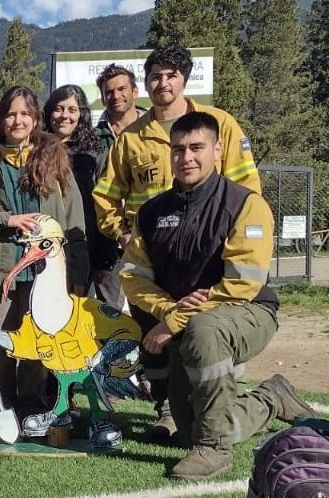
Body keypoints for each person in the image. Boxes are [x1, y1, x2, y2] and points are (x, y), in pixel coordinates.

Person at [120, 112, 314, 479]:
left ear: (217, 150)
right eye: (178, 149)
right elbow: (133, 275)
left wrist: (176, 320)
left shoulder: (245, 204)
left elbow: (243, 283)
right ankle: (271, 398)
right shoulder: (151, 211)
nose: (186, 157)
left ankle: (214, 450)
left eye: (197, 148)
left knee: (205, 330)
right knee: (188, 429)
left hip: (248, 311)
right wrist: (171, 309)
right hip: (187, 322)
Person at [93, 45, 261, 441]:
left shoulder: (219, 124)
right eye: (155, 76)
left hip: (207, 258)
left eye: (171, 75)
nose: (162, 83)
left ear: (185, 79)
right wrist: (122, 232)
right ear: (145, 84)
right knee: (154, 338)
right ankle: (167, 409)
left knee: (208, 329)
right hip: (153, 262)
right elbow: (104, 195)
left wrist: (235, 235)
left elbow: (247, 188)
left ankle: (225, 404)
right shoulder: (131, 137)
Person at [0, 86, 88, 422]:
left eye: (25, 114)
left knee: (38, 344)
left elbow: (74, 225)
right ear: (0, 120)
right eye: (11, 114)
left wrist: (78, 276)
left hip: (44, 278)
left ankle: (32, 406)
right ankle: (2, 406)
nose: (17, 120)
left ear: (36, 119)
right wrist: (6, 219)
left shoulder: (56, 162)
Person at [43, 85, 120, 301]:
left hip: (85, 246)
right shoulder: (35, 149)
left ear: (81, 114)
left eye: (72, 110)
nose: (64, 116)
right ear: (49, 112)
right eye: (59, 109)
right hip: (44, 247)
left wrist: (106, 257)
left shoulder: (94, 151)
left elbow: (106, 202)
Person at [90, 64, 147, 314]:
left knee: (147, 308)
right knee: (110, 313)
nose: (116, 96)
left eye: (122, 89)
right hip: (109, 241)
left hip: (148, 238)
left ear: (134, 91)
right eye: (109, 91)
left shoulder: (152, 131)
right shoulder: (93, 138)